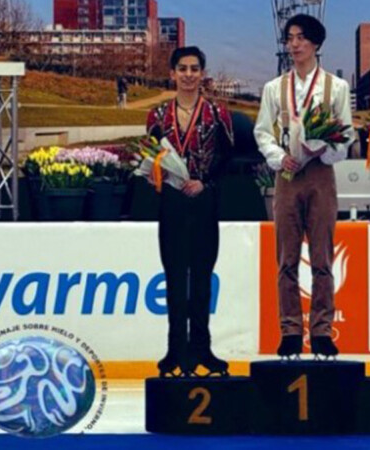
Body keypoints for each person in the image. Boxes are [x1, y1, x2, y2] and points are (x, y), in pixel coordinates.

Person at [254, 14, 355, 359]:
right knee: (286, 257)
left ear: (316, 43)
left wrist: (323, 150)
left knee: (322, 257)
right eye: (290, 38)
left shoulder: (336, 87)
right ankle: (291, 331)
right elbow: (262, 132)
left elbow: (346, 135)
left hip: (321, 175)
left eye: (301, 38)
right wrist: (279, 156)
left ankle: (322, 331)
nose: (294, 44)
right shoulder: (273, 88)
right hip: (286, 177)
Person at [146, 46, 234, 377]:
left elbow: (228, 158)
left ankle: (202, 349)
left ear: (202, 74)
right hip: (171, 202)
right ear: (172, 73)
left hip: (204, 201)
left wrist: (205, 182)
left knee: (200, 278)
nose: (188, 74)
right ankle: (175, 350)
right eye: (182, 68)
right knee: (173, 277)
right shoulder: (157, 116)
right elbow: (151, 156)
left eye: (194, 68)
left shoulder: (218, 114)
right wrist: (157, 176)